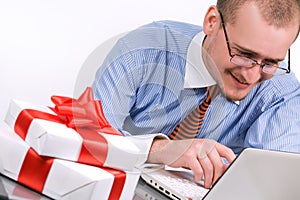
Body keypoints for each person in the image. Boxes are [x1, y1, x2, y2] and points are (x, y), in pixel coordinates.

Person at [91, 0, 300, 188]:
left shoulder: (281, 92)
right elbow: (90, 137)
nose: (252, 76)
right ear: (212, 22)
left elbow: (274, 185)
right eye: (244, 54)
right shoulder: (143, 50)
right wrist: (157, 149)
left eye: (271, 62)